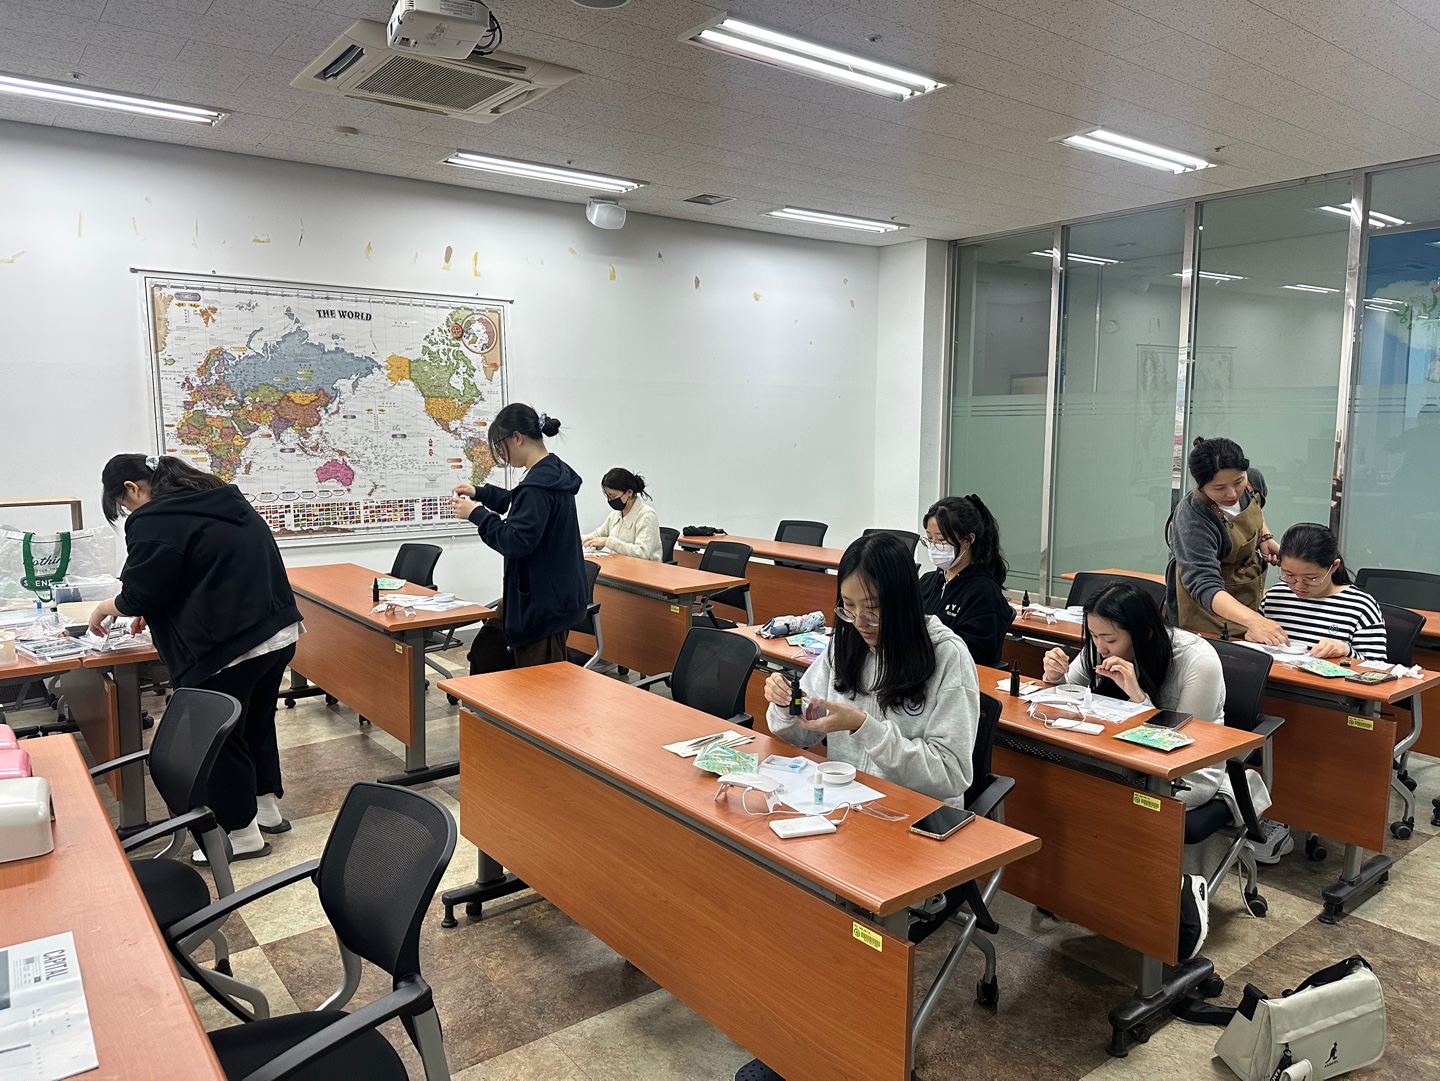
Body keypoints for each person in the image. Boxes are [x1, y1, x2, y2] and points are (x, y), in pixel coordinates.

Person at [762, 531, 981, 939]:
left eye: (873, 610)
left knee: (815, 911)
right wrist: (784, 704)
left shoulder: (947, 658)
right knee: (764, 867)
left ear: (903, 603)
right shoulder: (844, 644)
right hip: (845, 811)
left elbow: (951, 774)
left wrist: (864, 727)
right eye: (848, 607)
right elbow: (799, 736)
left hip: (914, 823)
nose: (860, 622)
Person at [89, 454, 302, 860]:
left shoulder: (154, 518)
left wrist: (106, 607)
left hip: (227, 645)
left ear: (132, 488)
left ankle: (242, 835)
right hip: (277, 631)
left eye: (124, 505)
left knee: (219, 741)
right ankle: (266, 810)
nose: (129, 512)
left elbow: (142, 590)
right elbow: (204, 569)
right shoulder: (221, 499)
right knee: (255, 724)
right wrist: (153, 610)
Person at [1042, 582, 1287, 861]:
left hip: (1187, 772)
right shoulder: (1101, 645)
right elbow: (1066, 695)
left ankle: (1150, 878)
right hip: (1123, 755)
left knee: (1099, 796)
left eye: (1109, 639)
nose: (1100, 647)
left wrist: (1138, 697)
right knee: (1064, 782)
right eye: (1094, 636)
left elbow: (1183, 743)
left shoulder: (1198, 660)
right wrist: (1054, 677)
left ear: (1144, 633)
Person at [450, 404, 588, 672]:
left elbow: (514, 542)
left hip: (543, 605)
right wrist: (480, 493)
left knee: (539, 685)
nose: (501, 453)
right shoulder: (550, 473)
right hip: (548, 597)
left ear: (517, 438)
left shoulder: (538, 486)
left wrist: (476, 514)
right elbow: (519, 503)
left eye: (501, 446)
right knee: (488, 651)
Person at [1166, 436, 1285, 643]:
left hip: (1245, 589)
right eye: (1219, 488)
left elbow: (1255, 508)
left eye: (1238, 482)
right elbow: (1204, 583)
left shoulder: (1253, 482)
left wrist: (1264, 537)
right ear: (1200, 484)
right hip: (1205, 607)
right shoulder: (1192, 516)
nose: (1232, 493)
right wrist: (1254, 620)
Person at [1259, 523, 1388, 662]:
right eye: (1289, 575)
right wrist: (1252, 636)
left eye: (1311, 578)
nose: (1299, 586)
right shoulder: (1275, 597)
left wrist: (1346, 651)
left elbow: (1377, 668)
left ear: (1334, 566)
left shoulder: (1360, 607)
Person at [919, 494, 1014, 666]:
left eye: (941, 540)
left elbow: (975, 656)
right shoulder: (927, 582)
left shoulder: (984, 592)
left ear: (969, 540)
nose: (934, 547)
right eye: (930, 539)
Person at [582, 467, 661, 561]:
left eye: (613, 496)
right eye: (607, 496)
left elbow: (642, 553)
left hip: (645, 568)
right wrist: (579, 540)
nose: (610, 501)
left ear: (629, 492)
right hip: (620, 564)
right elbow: (598, 534)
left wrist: (609, 542)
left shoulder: (647, 515)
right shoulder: (615, 514)